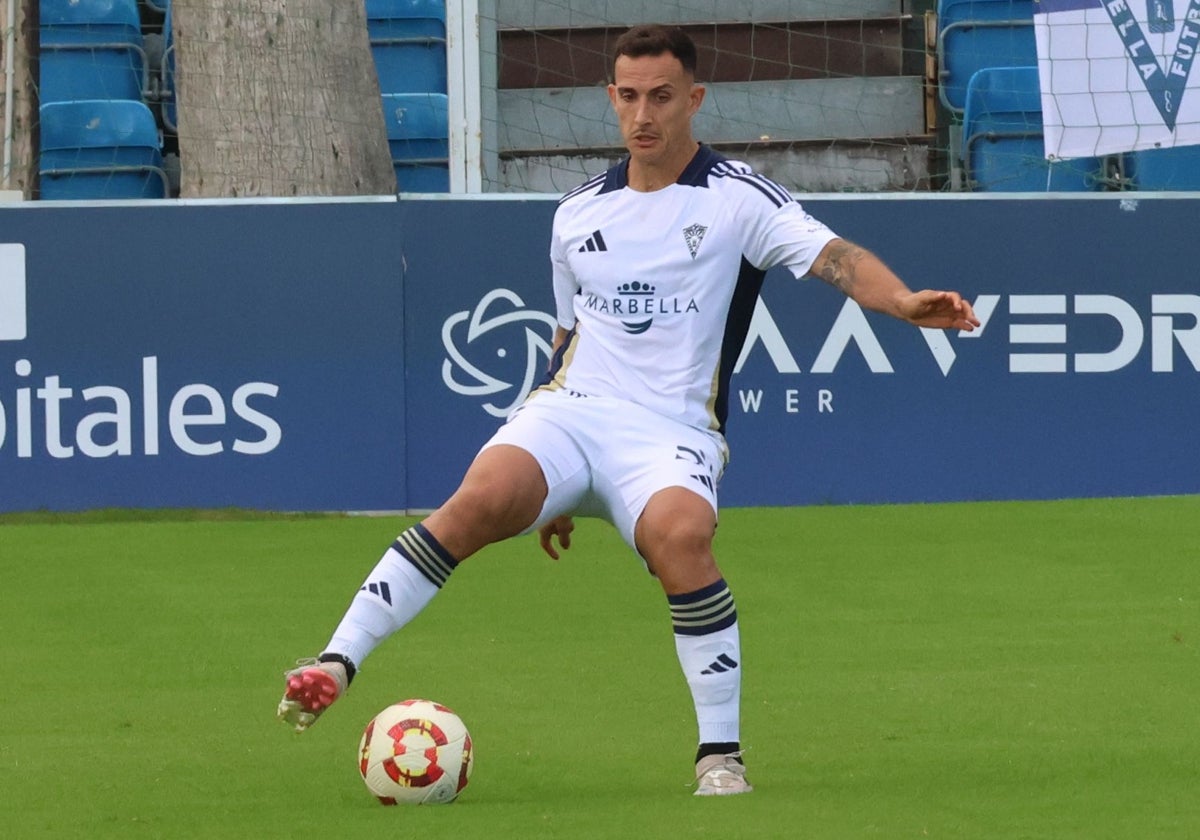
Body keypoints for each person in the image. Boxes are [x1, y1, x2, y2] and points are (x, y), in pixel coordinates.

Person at [278, 23, 980, 796]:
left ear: (694, 100)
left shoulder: (740, 199)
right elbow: (567, 334)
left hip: (671, 431)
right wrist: (549, 481)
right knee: (478, 500)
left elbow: (837, 258)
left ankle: (720, 757)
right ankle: (334, 662)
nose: (644, 114)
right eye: (629, 96)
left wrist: (904, 302)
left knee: (684, 539)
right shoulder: (578, 213)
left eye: (662, 97)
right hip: (572, 412)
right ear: (610, 99)